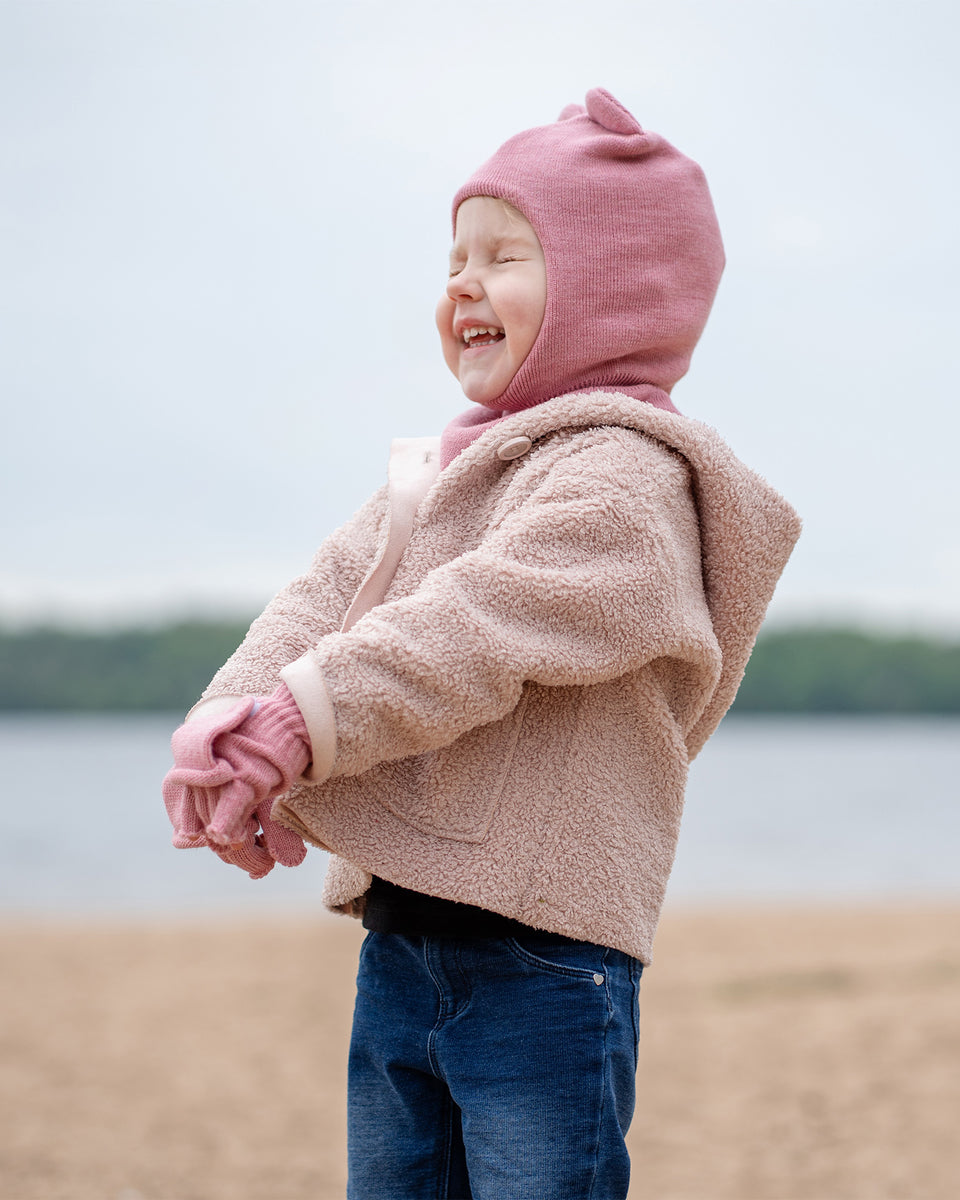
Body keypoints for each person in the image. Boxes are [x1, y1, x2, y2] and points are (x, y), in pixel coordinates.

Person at [163, 88, 801, 1200]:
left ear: (615, 292)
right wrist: (231, 723)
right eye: (455, 257)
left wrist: (301, 722)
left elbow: (472, 627)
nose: (462, 282)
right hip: (404, 930)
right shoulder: (457, 467)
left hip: (545, 953)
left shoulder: (626, 482)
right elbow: (328, 591)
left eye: (506, 256)